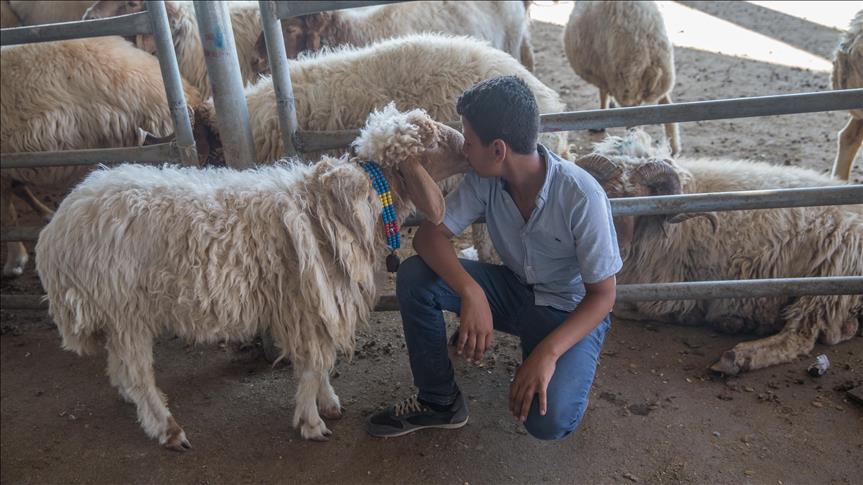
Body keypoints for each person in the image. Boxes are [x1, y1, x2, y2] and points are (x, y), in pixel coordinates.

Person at [367, 75, 622, 440]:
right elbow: (427, 237)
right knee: (415, 276)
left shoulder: (582, 196)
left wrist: (548, 353)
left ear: (498, 150)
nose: (463, 151)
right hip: (516, 291)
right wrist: (472, 292)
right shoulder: (485, 180)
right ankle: (439, 401)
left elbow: (603, 296)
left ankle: (554, 355)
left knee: (547, 422)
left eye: (468, 142)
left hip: (570, 308)